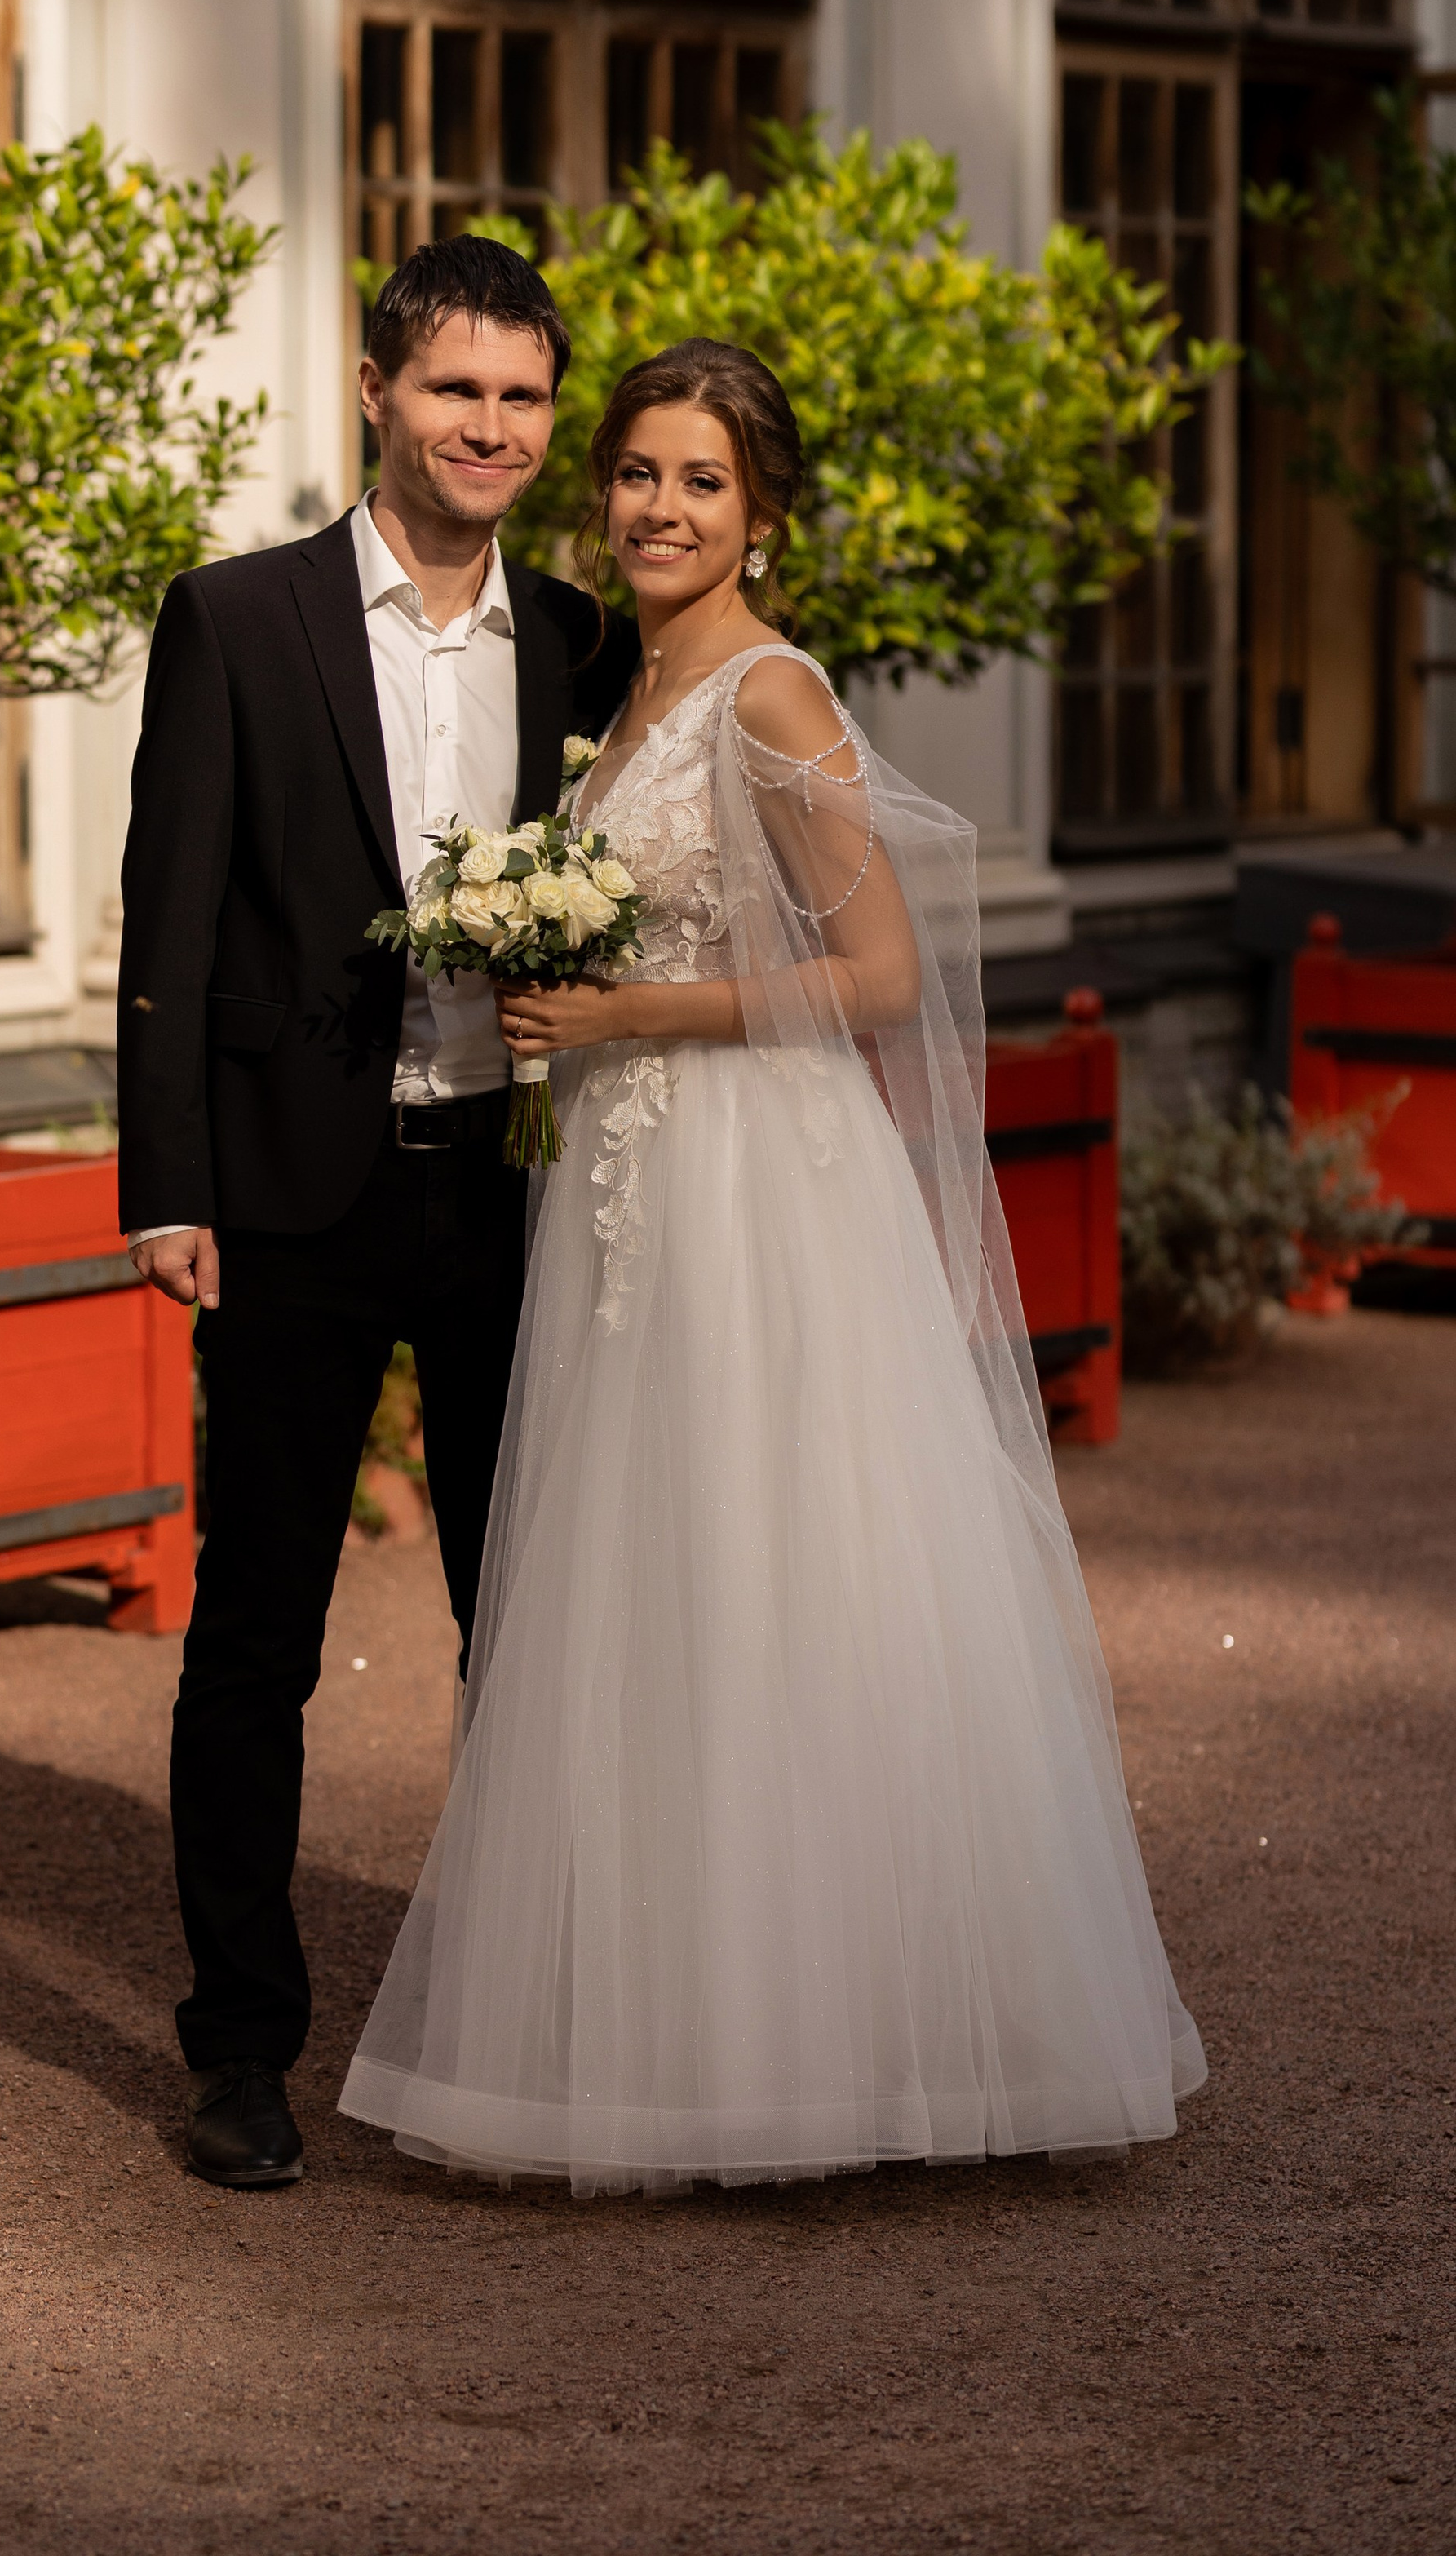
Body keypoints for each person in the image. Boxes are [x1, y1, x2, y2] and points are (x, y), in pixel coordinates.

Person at [340, 338, 1206, 2194]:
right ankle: (678, 2022)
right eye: (639, 474)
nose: (661, 509)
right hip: (623, 1185)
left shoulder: (769, 697)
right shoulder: (627, 686)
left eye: (701, 483)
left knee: (771, 1572)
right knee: (649, 1589)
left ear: (761, 509)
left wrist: (622, 1004)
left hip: (751, 1185)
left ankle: (841, 2036)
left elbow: (882, 977)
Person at [118, 234, 638, 2188]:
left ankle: (535, 2028)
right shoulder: (234, 619)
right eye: (453, 391)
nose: (488, 428)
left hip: (516, 1199)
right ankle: (238, 2052)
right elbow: (163, 918)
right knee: (255, 1635)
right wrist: (165, 1184)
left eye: (519, 399)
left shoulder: (585, 639)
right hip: (288, 1198)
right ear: (372, 391)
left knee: (535, 1627)